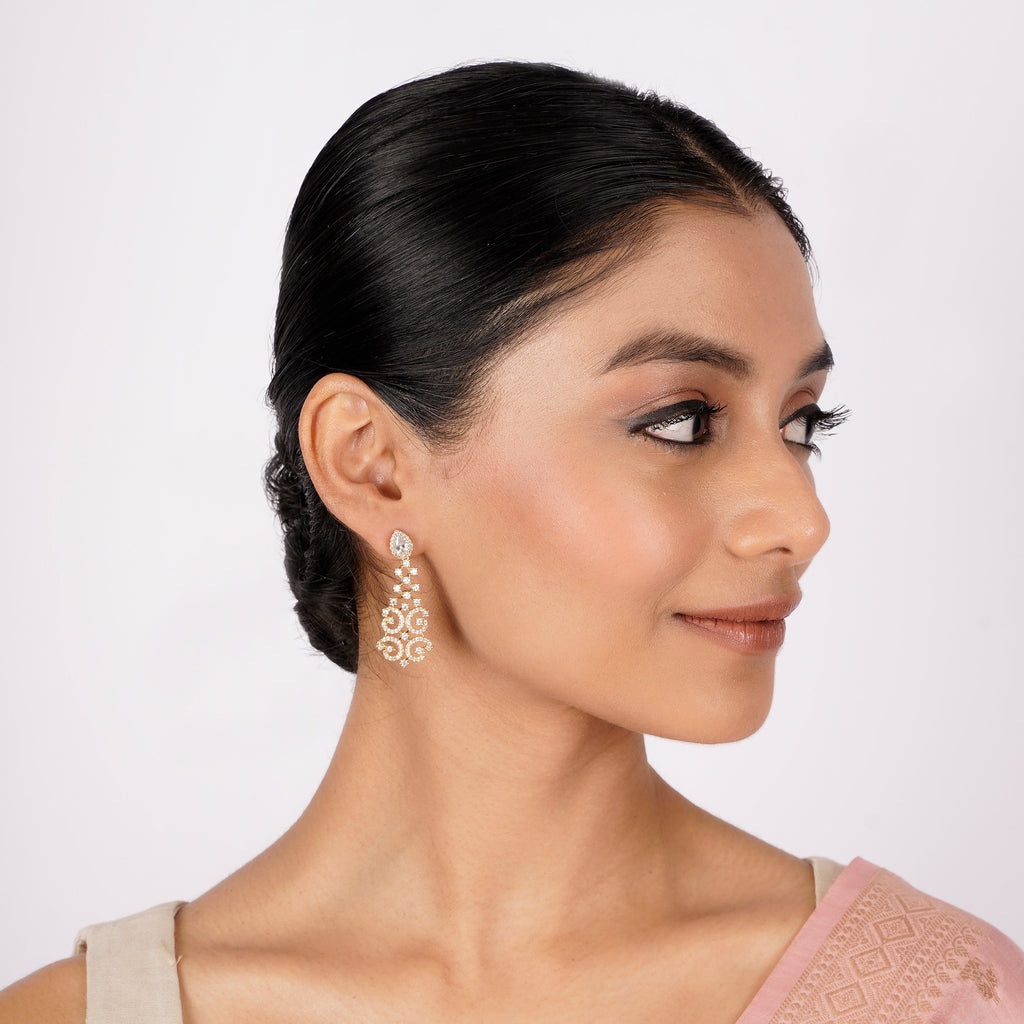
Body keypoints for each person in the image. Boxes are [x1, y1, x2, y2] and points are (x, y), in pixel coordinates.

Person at [2, 60, 1022, 1024]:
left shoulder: (938, 997)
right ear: (371, 463)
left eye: (801, 423)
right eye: (680, 421)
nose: (801, 520)